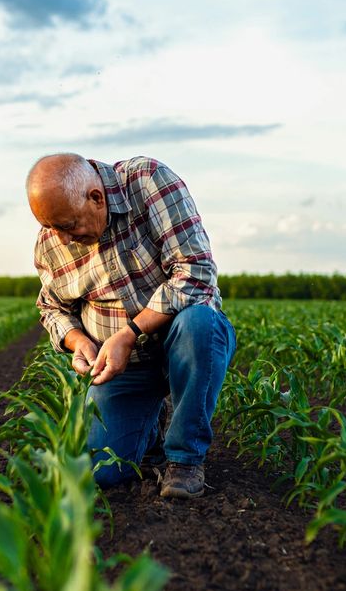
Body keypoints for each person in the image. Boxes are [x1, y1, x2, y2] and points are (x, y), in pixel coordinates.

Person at [26, 153, 236, 498]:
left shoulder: (148, 183)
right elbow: (52, 308)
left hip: (180, 341)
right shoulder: (51, 241)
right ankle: (149, 430)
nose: (61, 238)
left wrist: (129, 333)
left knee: (200, 322)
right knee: (100, 472)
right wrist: (78, 341)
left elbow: (195, 273)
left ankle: (185, 458)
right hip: (125, 367)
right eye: (51, 227)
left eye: (67, 225)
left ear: (96, 197)